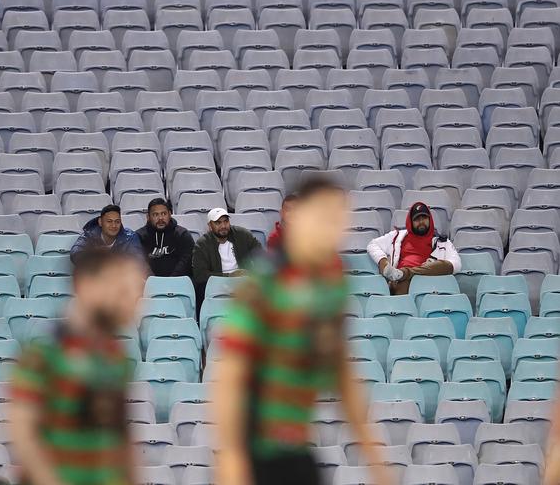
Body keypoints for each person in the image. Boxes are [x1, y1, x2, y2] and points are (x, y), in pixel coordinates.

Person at [213, 178, 393, 485]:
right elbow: (230, 378)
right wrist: (231, 460)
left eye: (339, 220)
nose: (333, 228)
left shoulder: (333, 279)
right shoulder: (265, 280)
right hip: (255, 453)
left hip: (295, 446)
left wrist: (375, 457)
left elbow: (341, 368)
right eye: (324, 217)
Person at [10, 249, 146, 485]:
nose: (129, 300)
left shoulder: (116, 357)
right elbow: (24, 437)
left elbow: (120, 437)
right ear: (85, 285)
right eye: (119, 288)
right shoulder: (44, 354)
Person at [367, 202, 461, 295]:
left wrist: (432, 265)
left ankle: (404, 273)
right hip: (402, 284)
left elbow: (456, 265)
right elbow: (372, 244)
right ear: (410, 222)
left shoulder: (443, 242)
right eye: (417, 219)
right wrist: (383, 261)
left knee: (444, 266)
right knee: (403, 284)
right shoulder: (397, 236)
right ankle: (403, 275)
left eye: (424, 218)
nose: (421, 222)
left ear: (430, 219)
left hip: (429, 283)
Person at [192, 207, 262, 285]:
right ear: (210, 226)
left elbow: (261, 256)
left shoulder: (242, 235)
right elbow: (200, 275)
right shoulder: (202, 244)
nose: (223, 226)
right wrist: (229, 276)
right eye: (218, 223)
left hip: (244, 283)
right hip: (218, 284)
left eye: (226, 221)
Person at [136, 198, 195, 277]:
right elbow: (139, 262)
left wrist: (171, 280)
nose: (160, 218)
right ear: (148, 217)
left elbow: (186, 262)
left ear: (170, 214)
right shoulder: (139, 237)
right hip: (149, 284)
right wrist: (154, 280)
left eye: (164, 214)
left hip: (178, 283)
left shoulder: (182, 234)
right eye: (155, 214)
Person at [70, 204, 143, 264]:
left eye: (117, 222)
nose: (114, 225)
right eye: (109, 221)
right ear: (100, 222)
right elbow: (76, 253)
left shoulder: (130, 237)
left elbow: (138, 261)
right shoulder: (89, 235)